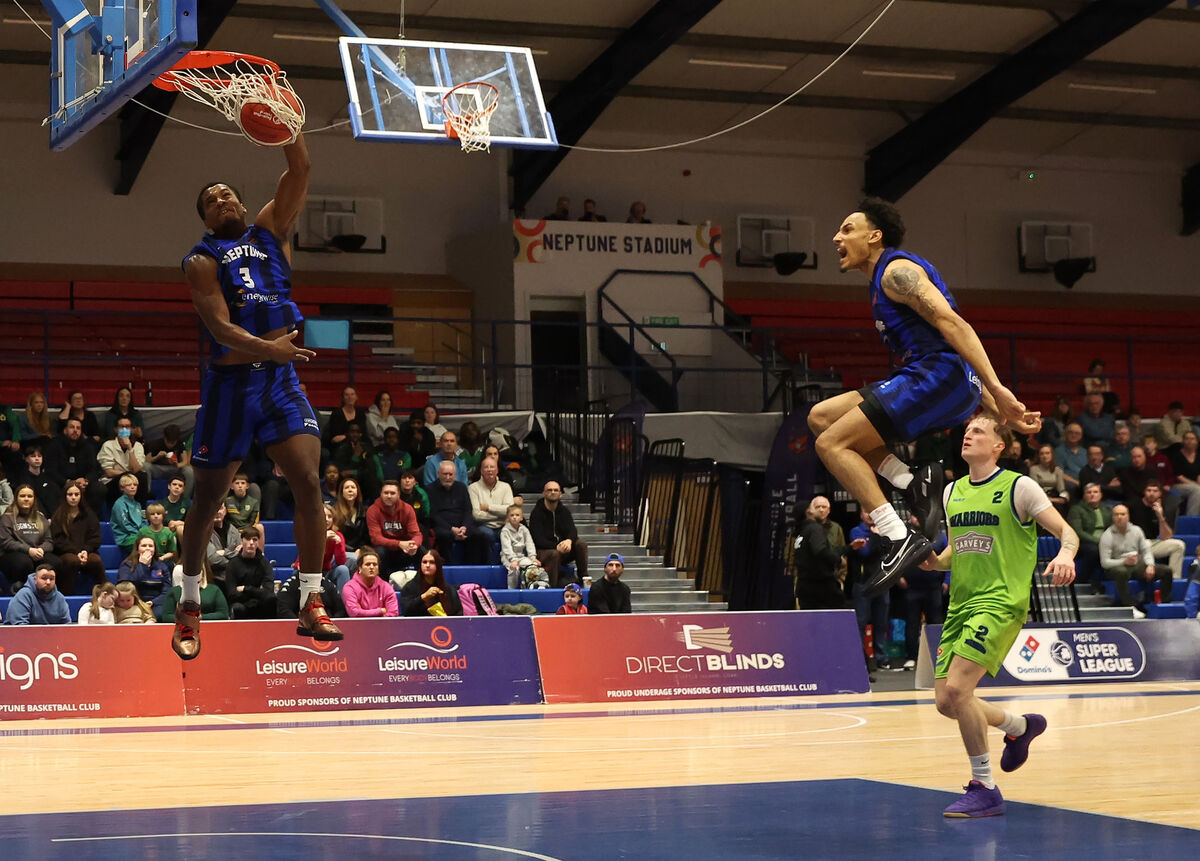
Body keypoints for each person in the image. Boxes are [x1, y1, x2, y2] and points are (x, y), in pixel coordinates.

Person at [811, 198, 1039, 592]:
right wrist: (989, 399)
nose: (837, 237)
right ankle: (910, 482)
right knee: (821, 417)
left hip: (936, 377)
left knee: (831, 444)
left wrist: (999, 390)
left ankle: (898, 535)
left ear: (874, 236)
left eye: (848, 228)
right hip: (942, 378)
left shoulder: (896, 272)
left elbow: (955, 326)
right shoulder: (883, 278)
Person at [177, 133, 340, 659]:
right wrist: (266, 351)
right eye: (211, 200)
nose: (221, 200)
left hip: (279, 380)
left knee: (310, 480)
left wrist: (287, 129)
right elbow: (221, 329)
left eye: (228, 194)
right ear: (205, 219)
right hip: (231, 386)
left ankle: (312, 601)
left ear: (243, 205)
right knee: (206, 503)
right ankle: (188, 601)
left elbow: (301, 170)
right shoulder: (202, 259)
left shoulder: (271, 229)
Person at [918, 412, 1077, 818]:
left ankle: (984, 786)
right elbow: (958, 551)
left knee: (958, 691)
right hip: (961, 604)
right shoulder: (952, 491)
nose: (968, 435)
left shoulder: (1018, 486)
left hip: (1000, 602)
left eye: (978, 431)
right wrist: (933, 563)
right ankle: (1020, 727)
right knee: (945, 702)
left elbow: (1066, 532)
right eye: (966, 431)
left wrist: (1065, 554)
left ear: (999, 446)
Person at [1099, 504, 1170, 618]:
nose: (1119, 517)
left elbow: (1146, 551)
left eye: (1123, 514)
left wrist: (1150, 565)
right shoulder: (1107, 536)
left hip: (1135, 565)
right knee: (1121, 572)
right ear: (1113, 517)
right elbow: (1105, 562)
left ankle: (1165, 603)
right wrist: (1123, 561)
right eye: (1116, 514)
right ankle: (1130, 607)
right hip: (1116, 567)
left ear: (1128, 516)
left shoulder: (1137, 530)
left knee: (1166, 571)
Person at [0, 484, 60, 594]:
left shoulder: (40, 517)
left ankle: (47, 591)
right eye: (22, 496)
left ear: (34, 499)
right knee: (24, 563)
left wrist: (41, 549)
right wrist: (29, 550)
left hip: (37, 552)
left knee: (55, 561)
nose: (26, 499)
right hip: (13, 554)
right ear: (16, 498)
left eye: (29, 496)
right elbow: (6, 542)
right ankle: (21, 590)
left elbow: (49, 541)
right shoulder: (7, 517)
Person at [50, 479, 106, 595]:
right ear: (65, 496)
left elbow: (95, 538)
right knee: (72, 561)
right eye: (70, 494)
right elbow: (58, 540)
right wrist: (77, 552)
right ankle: (65, 595)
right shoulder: (58, 516)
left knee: (96, 560)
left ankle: (105, 593)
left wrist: (85, 551)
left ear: (81, 496)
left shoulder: (89, 514)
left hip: (87, 552)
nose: (73, 497)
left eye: (76, 494)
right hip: (66, 553)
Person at [528, 480, 589, 587]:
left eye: (556, 490)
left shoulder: (564, 511)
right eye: (549, 490)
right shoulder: (537, 513)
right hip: (543, 551)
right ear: (544, 493)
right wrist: (556, 547)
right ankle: (553, 586)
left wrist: (569, 540)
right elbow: (537, 539)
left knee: (581, 544)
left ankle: (583, 579)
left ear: (560, 494)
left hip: (562, 550)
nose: (553, 492)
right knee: (554, 554)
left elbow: (572, 530)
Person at [1126, 479, 1185, 586]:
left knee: (1179, 545)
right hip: (1135, 545)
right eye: (1149, 490)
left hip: (1152, 543)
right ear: (1144, 492)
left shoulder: (1163, 508)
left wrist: (1160, 516)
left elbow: (1166, 537)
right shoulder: (1132, 505)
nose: (1152, 493)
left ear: (1160, 493)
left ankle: (1174, 579)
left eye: (1155, 491)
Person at [789, 500, 846, 611]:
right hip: (821, 585)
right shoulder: (814, 528)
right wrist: (838, 560)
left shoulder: (800, 532)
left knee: (809, 621)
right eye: (815, 507)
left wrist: (848, 548)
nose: (819, 510)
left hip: (804, 585)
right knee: (838, 616)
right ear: (809, 511)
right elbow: (820, 550)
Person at [44, 415, 103, 514]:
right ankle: (58, 518)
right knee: (51, 488)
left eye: (78, 428)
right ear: (65, 430)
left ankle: (89, 517)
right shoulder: (54, 445)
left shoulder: (88, 446)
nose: (75, 430)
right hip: (62, 482)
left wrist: (86, 480)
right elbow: (50, 470)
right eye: (72, 427)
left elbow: (96, 469)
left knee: (99, 488)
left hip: (83, 482)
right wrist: (68, 482)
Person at [366, 479, 423, 574]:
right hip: (385, 551)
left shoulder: (407, 509)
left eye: (392, 493)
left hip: (403, 551)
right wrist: (399, 543)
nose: (389, 496)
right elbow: (376, 539)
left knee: (421, 550)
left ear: (398, 495)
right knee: (380, 551)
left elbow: (417, 534)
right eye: (386, 493)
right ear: (381, 494)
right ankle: (382, 584)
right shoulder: (373, 510)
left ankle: (420, 582)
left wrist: (414, 545)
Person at [427, 460, 478, 563]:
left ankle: (471, 568)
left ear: (455, 475)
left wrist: (464, 527)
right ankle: (449, 567)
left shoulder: (462, 487)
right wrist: (451, 529)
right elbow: (433, 514)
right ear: (438, 474)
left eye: (451, 474)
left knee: (478, 535)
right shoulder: (430, 489)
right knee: (444, 535)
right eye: (445, 474)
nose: (448, 477)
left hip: (462, 525)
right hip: (442, 526)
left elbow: (468, 510)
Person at [1066, 483, 1113, 594]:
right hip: (1083, 543)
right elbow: (1078, 532)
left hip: (1105, 541)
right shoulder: (1076, 509)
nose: (1092, 494)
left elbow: (1112, 528)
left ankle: (1106, 582)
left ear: (1101, 495)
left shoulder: (1106, 510)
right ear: (1084, 495)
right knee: (1094, 551)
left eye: (1095, 492)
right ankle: (1082, 581)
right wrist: (1100, 542)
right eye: (1089, 492)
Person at [468, 456, 513, 563]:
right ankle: (491, 567)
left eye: (492, 467)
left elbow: (510, 510)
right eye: (486, 467)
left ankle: (511, 566)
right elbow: (477, 515)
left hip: (503, 526)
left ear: (497, 470)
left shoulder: (506, 487)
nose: (489, 470)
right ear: (481, 471)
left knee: (515, 532)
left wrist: (488, 507)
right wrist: (501, 514)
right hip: (483, 526)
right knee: (487, 534)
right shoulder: (473, 488)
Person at [226, 526, 278, 619]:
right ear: (242, 541)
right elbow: (231, 594)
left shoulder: (265, 563)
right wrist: (257, 591)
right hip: (242, 604)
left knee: (271, 599)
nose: (251, 543)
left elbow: (268, 591)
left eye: (254, 539)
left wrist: (245, 588)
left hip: (260, 603)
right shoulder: (232, 564)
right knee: (237, 608)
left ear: (258, 542)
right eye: (247, 539)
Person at [98, 416, 148, 504]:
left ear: (132, 429)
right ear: (116, 429)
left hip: (133, 480)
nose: (124, 429)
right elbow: (109, 472)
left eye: (127, 426)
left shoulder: (138, 446)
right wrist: (127, 474)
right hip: (112, 482)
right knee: (136, 477)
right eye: (121, 426)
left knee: (142, 476)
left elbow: (136, 469)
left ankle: (141, 510)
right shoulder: (108, 445)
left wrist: (130, 448)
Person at [400, 549, 463, 617]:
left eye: (432, 562)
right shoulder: (409, 588)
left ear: (438, 565)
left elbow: (458, 614)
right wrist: (423, 597)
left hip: (444, 626)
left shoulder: (448, 589)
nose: (427, 565)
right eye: (424, 562)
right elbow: (406, 612)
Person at [341, 547, 398, 617]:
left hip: (383, 627)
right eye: (367, 564)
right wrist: (381, 611)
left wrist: (363, 612)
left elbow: (393, 614)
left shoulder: (387, 587)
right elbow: (354, 613)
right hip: (359, 627)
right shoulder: (349, 588)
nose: (371, 567)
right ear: (360, 568)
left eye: (375, 564)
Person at [162, 563, 230, 623]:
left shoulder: (214, 590)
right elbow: (166, 616)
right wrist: (186, 619)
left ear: (202, 575)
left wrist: (200, 618)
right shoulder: (174, 591)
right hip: (181, 630)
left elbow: (223, 614)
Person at [5, 563, 71, 625]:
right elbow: (19, 627)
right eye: (44, 578)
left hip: (52, 636)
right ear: (35, 580)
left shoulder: (60, 598)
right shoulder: (24, 595)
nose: (48, 582)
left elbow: (66, 626)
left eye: (51, 579)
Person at [500, 503, 547, 589]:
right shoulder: (505, 531)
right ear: (508, 518)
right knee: (514, 569)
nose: (514, 517)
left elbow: (529, 543)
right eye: (512, 515)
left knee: (532, 566)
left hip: (521, 556)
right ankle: (512, 590)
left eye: (517, 515)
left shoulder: (524, 529)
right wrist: (513, 560)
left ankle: (530, 586)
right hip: (508, 557)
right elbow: (506, 547)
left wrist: (533, 557)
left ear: (521, 518)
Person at [332, 422, 382, 500]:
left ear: (361, 434)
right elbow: (343, 472)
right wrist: (355, 457)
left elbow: (371, 470)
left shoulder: (367, 448)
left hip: (364, 482)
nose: (355, 434)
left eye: (357, 432)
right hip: (348, 481)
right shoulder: (341, 449)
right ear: (347, 433)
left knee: (372, 480)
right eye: (352, 432)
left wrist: (355, 472)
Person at [145, 423, 195, 499]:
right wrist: (157, 457)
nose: (170, 445)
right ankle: (147, 494)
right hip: (159, 469)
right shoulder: (156, 444)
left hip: (174, 469)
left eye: (173, 442)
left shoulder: (180, 444)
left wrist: (177, 464)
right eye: (168, 442)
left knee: (189, 470)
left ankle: (185, 498)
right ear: (165, 438)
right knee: (146, 466)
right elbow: (147, 460)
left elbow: (185, 462)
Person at [118, 535, 172, 602]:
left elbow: (167, 590)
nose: (147, 548)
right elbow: (125, 587)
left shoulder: (162, 566)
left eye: (150, 546)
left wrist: (153, 602)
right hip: (134, 602)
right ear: (137, 550)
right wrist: (142, 565)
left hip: (156, 602)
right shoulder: (127, 565)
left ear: (154, 550)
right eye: (144, 546)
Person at [15, 443, 60, 516]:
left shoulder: (48, 478)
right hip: (34, 515)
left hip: (52, 516)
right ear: (26, 459)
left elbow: (54, 498)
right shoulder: (23, 479)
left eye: (39, 456)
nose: (37, 458)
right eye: (33, 456)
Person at [109, 473, 146, 557]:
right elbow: (124, 524)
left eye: (135, 485)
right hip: (125, 537)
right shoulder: (119, 503)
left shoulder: (138, 504)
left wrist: (144, 532)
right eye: (129, 485)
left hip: (139, 535)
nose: (133, 487)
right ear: (122, 488)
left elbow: (144, 520)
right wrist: (140, 534)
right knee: (145, 543)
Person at [1028, 444, 1070, 514]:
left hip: (1054, 497)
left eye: (1047, 453)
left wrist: (1064, 498)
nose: (1045, 456)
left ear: (1052, 455)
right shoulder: (1033, 469)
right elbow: (1035, 489)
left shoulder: (1058, 470)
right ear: (1038, 456)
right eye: (1042, 454)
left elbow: (1061, 489)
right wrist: (1048, 499)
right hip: (1040, 497)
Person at [1169, 431, 1200, 516]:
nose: (1189, 441)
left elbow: (1199, 474)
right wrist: (1195, 484)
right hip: (1179, 485)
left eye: (1192, 439)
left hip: (1196, 485)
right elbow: (1179, 476)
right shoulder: (1177, 456)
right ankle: (1191, 520)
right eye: (1187, 439)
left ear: (1197, 441)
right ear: (1183, 441)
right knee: (1197, 490)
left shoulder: (1198, 456)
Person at [1053, 423, 1087, 496]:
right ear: (1065, 434)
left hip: (1085, 484)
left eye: (1077, 433)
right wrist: (1076, 482)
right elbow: (1059, 473)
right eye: (1070, 432)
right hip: (1070, 484)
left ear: (1081, 436)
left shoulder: (1085, 452)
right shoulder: (1059, 451)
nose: (1074, 435)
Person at [159, 474, 191, 540]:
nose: (177, 487)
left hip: (181, 529)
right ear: (169, 486)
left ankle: (185, 550)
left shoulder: (187, 503)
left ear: (183, 490)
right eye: (174, 484)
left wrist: (178, 523)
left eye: (180, 486)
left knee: (180, 529)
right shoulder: (161, 504)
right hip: (166, 529)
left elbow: (191, 522)